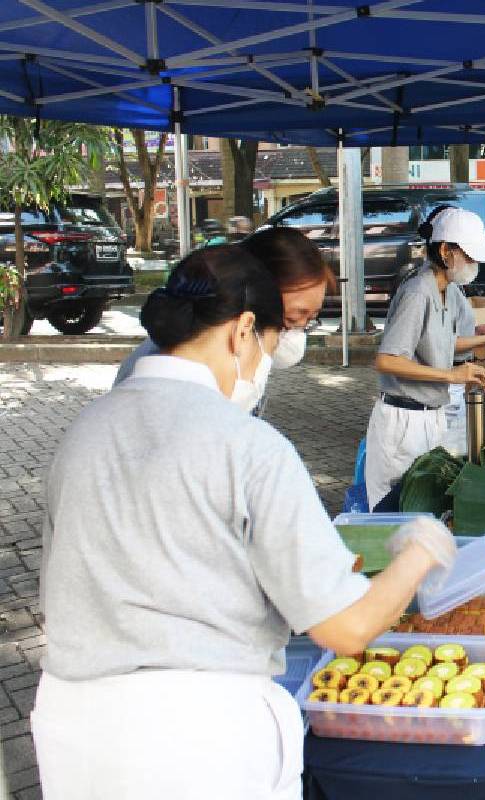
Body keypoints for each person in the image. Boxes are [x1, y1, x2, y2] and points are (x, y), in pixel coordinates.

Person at [32, 245, 456, 798]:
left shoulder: (85, 430)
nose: (266, 362)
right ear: (243, 331)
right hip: (202, 742)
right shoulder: (250, 447)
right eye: (275, 339)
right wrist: (419, 552)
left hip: (74, 733)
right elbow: (346, 627)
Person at [365, 205, 485, 509]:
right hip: (403, 420)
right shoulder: (419, 292)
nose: (473, 265)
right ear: (445, 251)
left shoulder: (444, 290)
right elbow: (388, 359)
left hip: (429, 414)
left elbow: (439, 344)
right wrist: (452, 375)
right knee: (395, 514)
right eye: (469, 256)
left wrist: (477, 349)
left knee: (424, 510)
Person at [114, 226, 332, 390]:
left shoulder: (225, 372)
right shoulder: (186, 381)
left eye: (310, 320)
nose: (294, 336)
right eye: (291, 321)